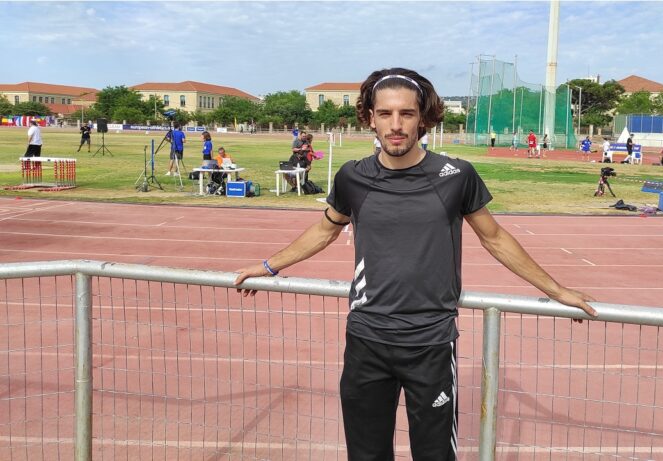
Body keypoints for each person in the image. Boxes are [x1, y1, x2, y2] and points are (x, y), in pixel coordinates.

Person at [233, 67, 597, 461]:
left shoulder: (455, 175)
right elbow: (324, 231)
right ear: (370, 118)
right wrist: (269, 265)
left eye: (406, 113)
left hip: (431, 344)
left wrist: (556, 290)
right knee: (366, 456)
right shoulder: (353, 177)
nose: (395, 125)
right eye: (385, 114)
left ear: (422, 118)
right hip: (366, 341)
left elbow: (494, 238)